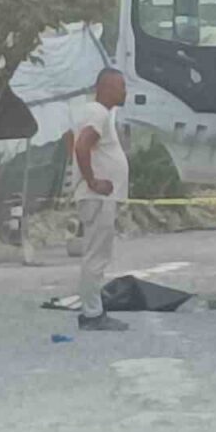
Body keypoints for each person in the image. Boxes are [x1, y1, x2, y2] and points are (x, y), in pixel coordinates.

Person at [71, 68, 131, 332]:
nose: (125, 92)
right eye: (121, 86)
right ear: (105, 87)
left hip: (98, 198)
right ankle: (92, 314)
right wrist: (93, 180)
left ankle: (92, 310)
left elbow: (70, 140)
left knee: (96, 255)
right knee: (96, 256)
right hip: (98, 197)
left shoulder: (94, 112)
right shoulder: (98, 113)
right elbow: (82, 145)